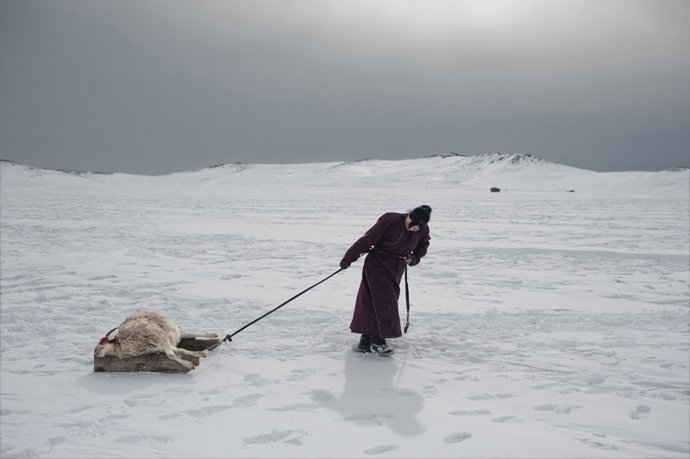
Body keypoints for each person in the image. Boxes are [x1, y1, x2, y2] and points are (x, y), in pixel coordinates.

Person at [340, 205, 432, 354]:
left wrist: (413, 258)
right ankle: (378, 340)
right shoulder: (390, 220)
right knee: (385, 301)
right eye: (410, 225)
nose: (411, 229)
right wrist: (348, 258)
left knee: (373, 301)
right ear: (408, 216)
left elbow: (423, 244)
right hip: (377, 264)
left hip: (397, 267)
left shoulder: (423, 229)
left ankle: (365, 340)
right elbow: (367, 239)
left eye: (415, 229)